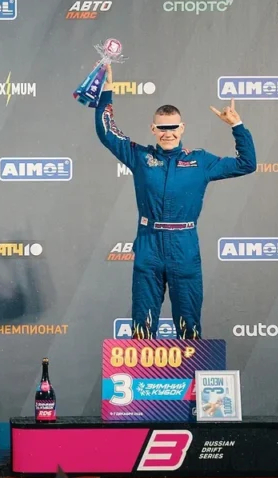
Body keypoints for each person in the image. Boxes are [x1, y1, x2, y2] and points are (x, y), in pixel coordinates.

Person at [94, 65, 256, 339]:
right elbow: (106, 133)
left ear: (182, 128)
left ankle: (191, 368)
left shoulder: (200, 161)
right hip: (149, 245)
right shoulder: (139, 157)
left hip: (184, 246)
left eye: (173, 128)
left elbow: (247, 163)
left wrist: (237, 126)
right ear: (153, 129)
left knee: (189, 326)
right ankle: (143, 366)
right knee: (142, 328)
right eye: (162, 128)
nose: (167, 133)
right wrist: (106, 90)